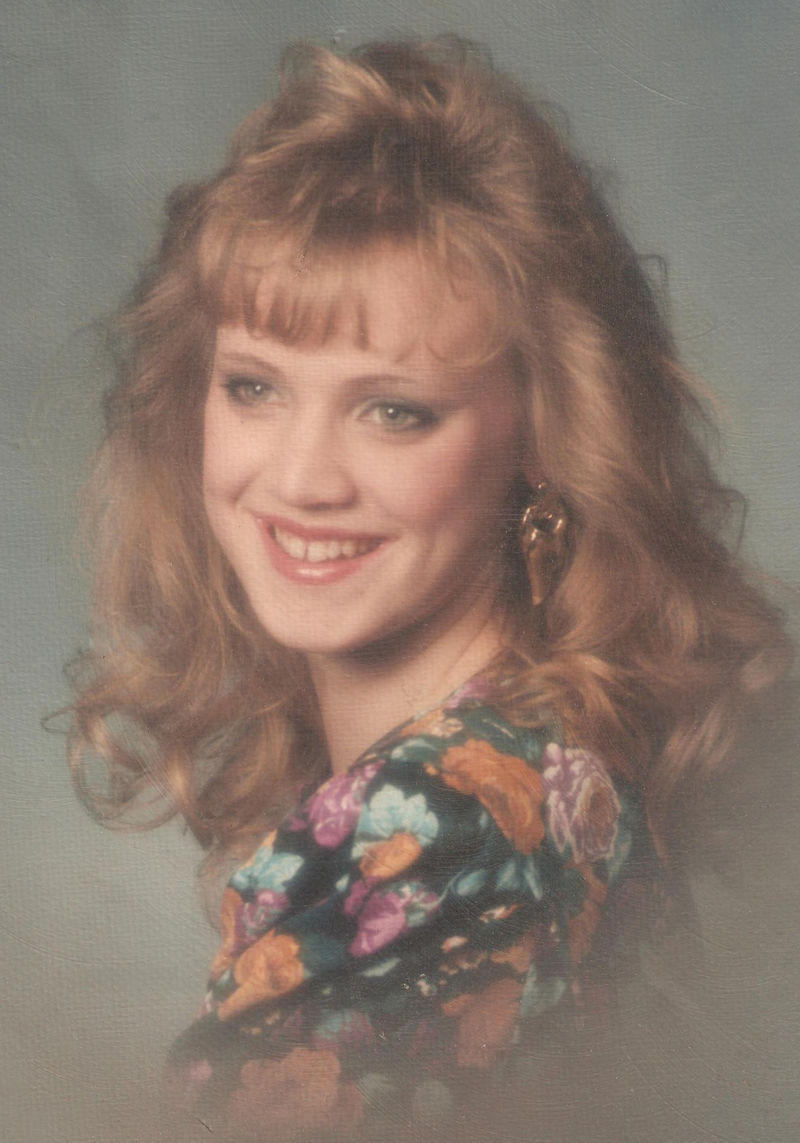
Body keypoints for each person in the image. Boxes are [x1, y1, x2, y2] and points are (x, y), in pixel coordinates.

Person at [67, 36, 791, 1142]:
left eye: (393, 409)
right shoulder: (545, 764)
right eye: (254, 387)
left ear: (542, 434)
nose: (300, 479)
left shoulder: (441, 829)